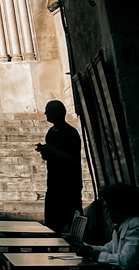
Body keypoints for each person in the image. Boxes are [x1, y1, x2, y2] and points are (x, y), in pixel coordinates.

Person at [35, 99, 83, 232]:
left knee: (73, 223)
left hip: (69, 186)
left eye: (48, 111)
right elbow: (49, 157)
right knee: (52, 224)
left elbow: (73, 159)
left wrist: (51, 151)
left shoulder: (70, 133)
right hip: (53, 185)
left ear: (57, 113)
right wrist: (44, 151)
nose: (45, 113)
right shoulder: (50, 133)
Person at [72, 183, 139, 268]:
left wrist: (94, 254)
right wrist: (88, 248)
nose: (107, 212)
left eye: (109, 208)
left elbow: (125, 260)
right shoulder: (121, 225)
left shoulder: (134, 225)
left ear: (119, 207)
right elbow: (110, 248)